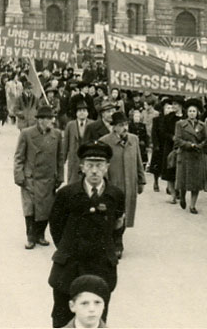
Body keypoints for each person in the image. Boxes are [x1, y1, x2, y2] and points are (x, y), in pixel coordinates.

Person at [49, 141, 125, 327]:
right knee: (63, 317)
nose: (94, 171)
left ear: (107, 167)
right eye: (89, 165)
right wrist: (69, 248)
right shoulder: (66, 194)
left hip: (100, 267)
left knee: (95, 319)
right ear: (81, 167)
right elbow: (56, 227)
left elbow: (117, 227)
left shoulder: (115, 195)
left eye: (99, 165)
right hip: (69, 268)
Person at [13, 105, 63, 249]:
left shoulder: (57, 135)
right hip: (30, 178)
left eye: (51, 118)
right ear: (40, 120)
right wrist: (19, 175)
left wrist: (60, 176)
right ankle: (30, 236)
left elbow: (60, 157)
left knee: (46, 209)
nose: (51, 121)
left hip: (48, 179)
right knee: (30, 208)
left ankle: (40, 235)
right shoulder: (26, 134)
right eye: (48, 119)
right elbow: (19, 157)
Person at [100, 112, 146, 259]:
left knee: (126, 214)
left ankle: (118, 240)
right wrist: (104, 184)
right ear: (114, 127)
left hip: (130, 184)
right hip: (114, 185)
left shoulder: (134, 140)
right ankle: (115, 241)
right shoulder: (105, 141)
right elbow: (103, 165)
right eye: (120, 125)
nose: (124, 128)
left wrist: (141, 180)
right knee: (113, 214)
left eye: (126, 124)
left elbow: (138, 161)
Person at [174, 98, 207, 214]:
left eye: (194, 111)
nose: (192, 113)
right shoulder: (180, 124)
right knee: (183, 180)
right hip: (185, 155)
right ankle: (182, 196)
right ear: (186, 113)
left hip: (197, 156)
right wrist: (190, 145)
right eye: (190, 111)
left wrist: (200, 146)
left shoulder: (202, 125)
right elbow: (177, 140)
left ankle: (192, 205)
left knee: (196, 183)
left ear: (197, 112)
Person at [62, 95, 93, 184]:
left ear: (87, 113)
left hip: (88, 159)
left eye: (84, 111)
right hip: (74, 160)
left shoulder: (92, 125)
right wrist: (62, 161)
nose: (82, 113)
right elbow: (65, 145)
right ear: (76, 113)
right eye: (79, 111)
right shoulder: (70, 125)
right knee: (73, 184)